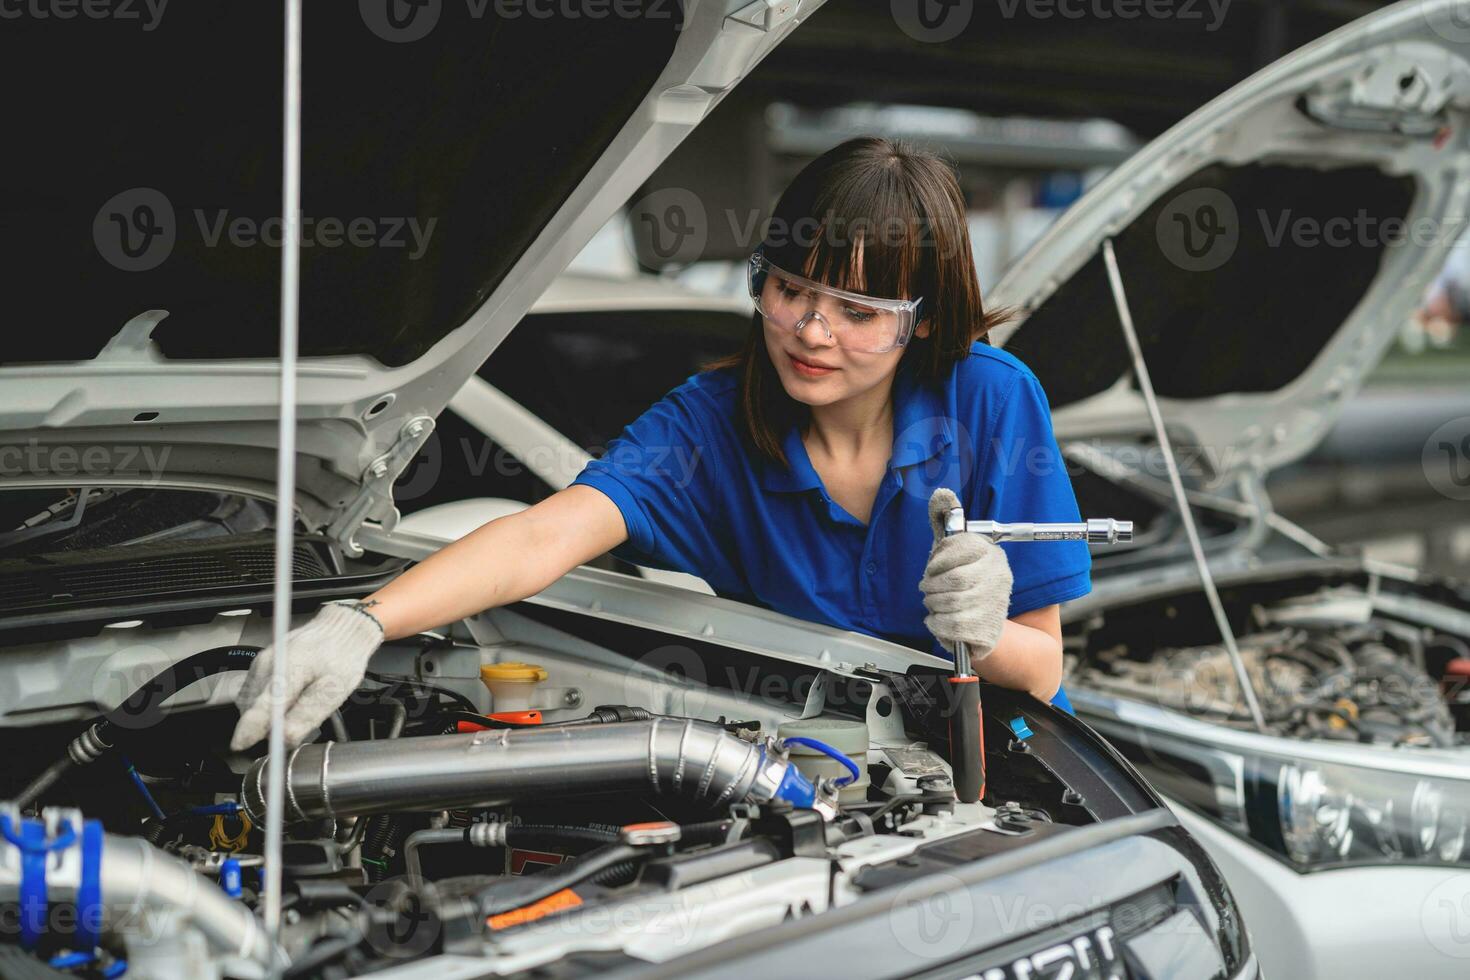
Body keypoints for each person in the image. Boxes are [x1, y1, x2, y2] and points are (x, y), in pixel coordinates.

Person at [230, 137, 1093, 751]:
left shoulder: (992, 401)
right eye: (789, 288)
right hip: (814, 756)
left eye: (859, 312)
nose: (811, 330)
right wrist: (361, 621)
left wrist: (981, 631)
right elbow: (545, 534)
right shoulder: (709, 425)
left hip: (993, 767)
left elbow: (1044, 670)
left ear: (925, 320)